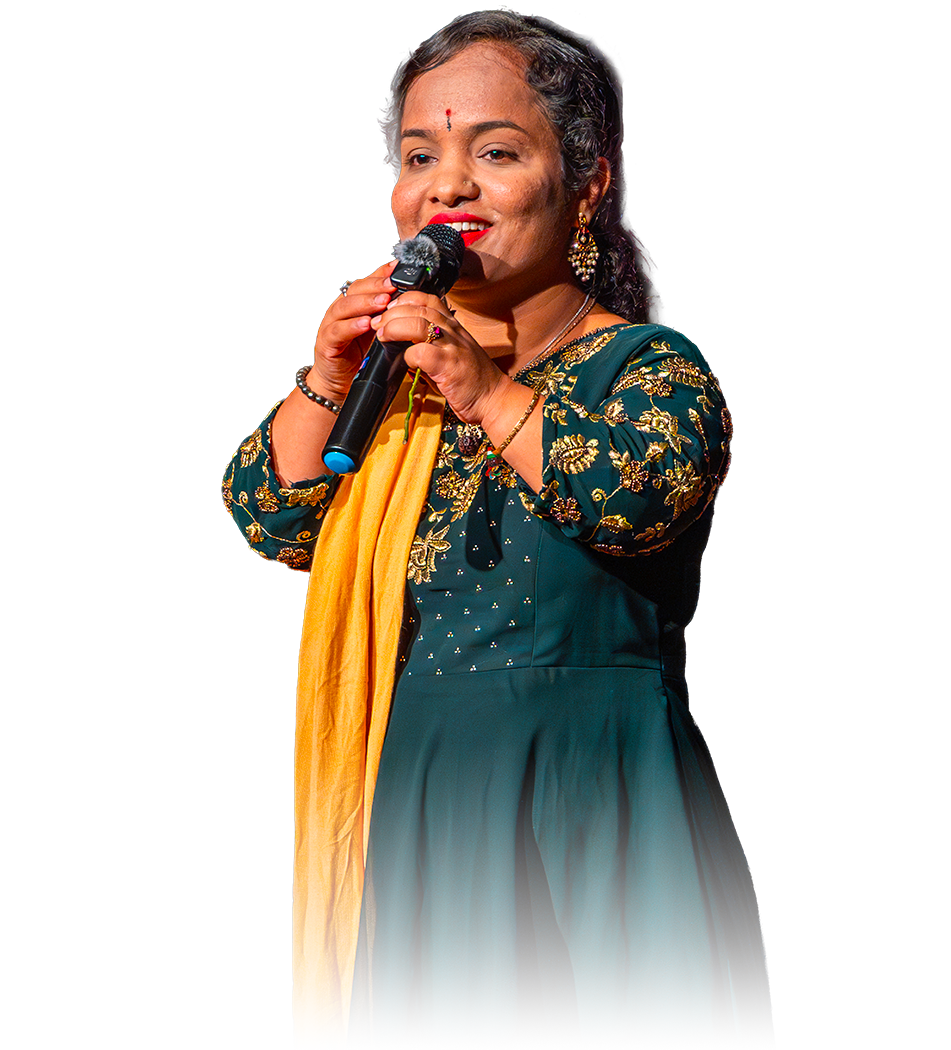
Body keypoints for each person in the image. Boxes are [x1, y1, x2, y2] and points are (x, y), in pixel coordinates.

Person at [224, 11, 774, 1049]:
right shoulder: (391, 393)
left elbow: (634, 497)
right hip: (424, 805)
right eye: (418, 157)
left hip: (600, 803)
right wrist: (328, 373)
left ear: (588, 185)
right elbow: (265, 528)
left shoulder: (649, 368)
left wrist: (478, 384)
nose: (448, 188)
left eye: (497, 152)